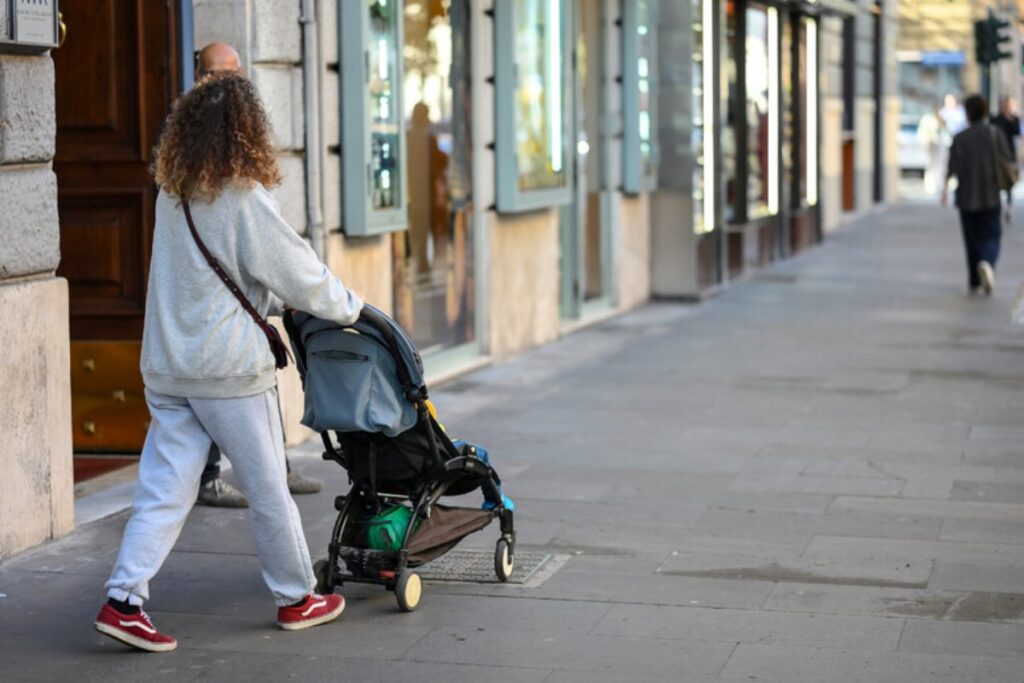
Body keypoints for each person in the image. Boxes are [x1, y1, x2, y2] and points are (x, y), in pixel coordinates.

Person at [93, 73, 363, 652]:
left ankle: (123, 600)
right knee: (269, 487)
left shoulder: (173, 194)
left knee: (164, 489)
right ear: (247, 131)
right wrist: (352, 309)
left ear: (186, 132)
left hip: (168, 368)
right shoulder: (243, 198)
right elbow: (298, 271)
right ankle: (296, 598)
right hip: (228, 374)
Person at [190, 42, 324, 507]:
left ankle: (276, 469)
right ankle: (218, 478)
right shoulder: (184, 137)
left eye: (229, 74)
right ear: (197, 76)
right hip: (207, 300)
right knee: (215, 389)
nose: (220, 84)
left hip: (239, 290)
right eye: (211, 74)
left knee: (250, 382)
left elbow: (262, 228)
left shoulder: (246, 128)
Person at [941, 94, 1013, 296]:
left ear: (968, 113)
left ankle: (974, 279)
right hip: (990, 194)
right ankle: (987, 262)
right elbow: (1006, 160)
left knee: (971, 238)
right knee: (991, 235)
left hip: (966, 196)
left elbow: (952, 166)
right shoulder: (995, 134)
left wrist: (945, 190)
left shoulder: (960, 137)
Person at [990, 95, 1021, 223]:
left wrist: (1011, 119)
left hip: (1009, 156)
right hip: (996, 155)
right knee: (995, 181)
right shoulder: (996, 119)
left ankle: (1008, 207)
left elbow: (1017, 133)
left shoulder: (1014, 120)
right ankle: (996, 206)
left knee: (1008, 183)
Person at [918, 105, 951, 196]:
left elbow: (945, 130)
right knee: (931, 165)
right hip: (930, 145)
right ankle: (931, 185)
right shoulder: (928, 119)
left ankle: (938, 184)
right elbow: (923, 132)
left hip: (938, 145)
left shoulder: (940, 119)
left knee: (939, 165)